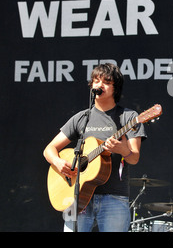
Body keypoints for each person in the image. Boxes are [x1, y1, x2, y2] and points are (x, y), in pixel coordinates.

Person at [43, 63, 147, 232]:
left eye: (106, 82)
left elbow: (134, 158)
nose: (99, 85)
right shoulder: (81, 118)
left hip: (114, 198)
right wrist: (58, 162)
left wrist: (122, 149)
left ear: (116, 88)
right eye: (95, 81)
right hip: (76, 198)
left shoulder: (129, 117)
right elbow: (49, 149)